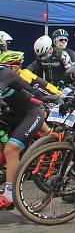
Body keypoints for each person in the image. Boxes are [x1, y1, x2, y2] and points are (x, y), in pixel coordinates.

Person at [0, 52, 49, 210]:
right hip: (15, 113)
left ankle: (10, 194)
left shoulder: (5, 73)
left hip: (32, 113)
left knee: (11, 149)